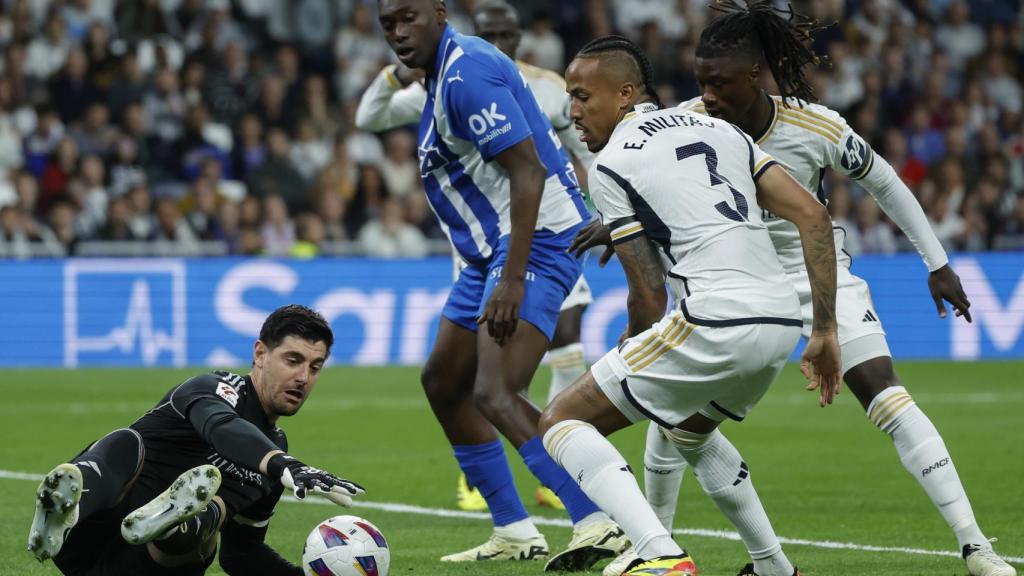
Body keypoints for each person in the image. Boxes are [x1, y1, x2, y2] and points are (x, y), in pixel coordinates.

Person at [587, 3, 1016, 575]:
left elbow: (885, 182)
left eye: (719, 83)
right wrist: (617, 221)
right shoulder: (691, 121)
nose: (707, 95)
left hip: (813, 275)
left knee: (884, 391)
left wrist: (935, 262)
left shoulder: (817, 126)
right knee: (675, 422)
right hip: (732, 285)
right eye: (701, 83)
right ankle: (657, 550)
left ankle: (976, 547)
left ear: (756, 75)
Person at [539, 35, 841, 576]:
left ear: (626, 94)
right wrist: (824, 330)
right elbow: (814, 218)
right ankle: (773, 567)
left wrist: (633, 339)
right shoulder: (721, 130)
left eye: (584, 96)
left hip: (715, 318)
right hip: (779, 322)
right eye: (571, 97)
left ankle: (657, 552)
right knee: (689, 430)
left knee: (562, 420)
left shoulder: (611, 164)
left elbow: (649, 292)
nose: (573, 111)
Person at [374, 0, 626, 570]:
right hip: (485, 256)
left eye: (408, 18)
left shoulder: (466, 74)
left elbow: (529, 168)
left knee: (496, 391)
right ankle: (515, 528)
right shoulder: (441, 76)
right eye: (388, 23)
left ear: (439, 12)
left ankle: (598, 520)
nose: (397, 32)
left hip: (532, 244)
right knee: (444, 381)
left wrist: (511, 279)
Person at [27, 305, 364, 575]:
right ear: (260, 354)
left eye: (315, 366)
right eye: (293, 360)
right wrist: (281, 464)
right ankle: (65, 511)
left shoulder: (275, 449)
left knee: (210, 525)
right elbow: (222, 427)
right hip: (84, 538)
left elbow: (241, 554)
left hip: (141, 566)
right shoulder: (213, 389)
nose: (303, 377)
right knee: (126, 444)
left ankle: (170, 527)